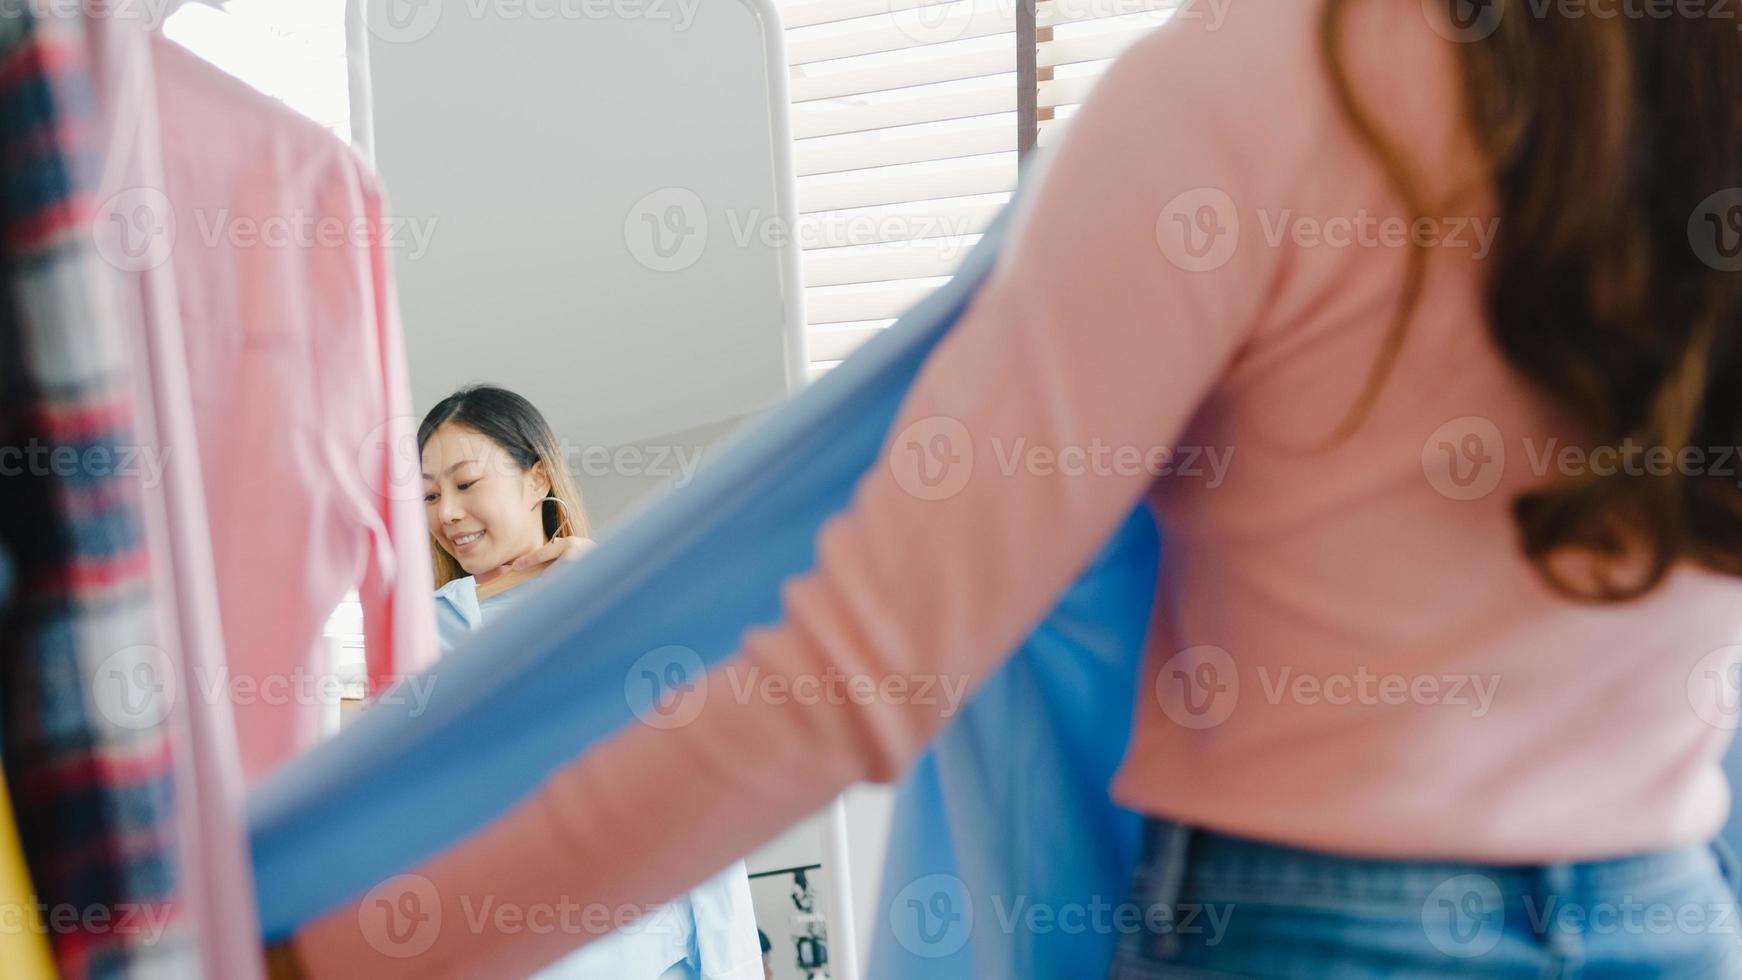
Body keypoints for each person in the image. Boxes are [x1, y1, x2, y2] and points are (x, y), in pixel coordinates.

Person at [285, 1, 1742, 976]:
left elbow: (850, 674)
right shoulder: (1701, 95)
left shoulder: (1253, 91)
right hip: (1674, 919)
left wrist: (339, 949)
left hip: (1310, 927)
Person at [417, 385, 765, 980]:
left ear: (537, 480)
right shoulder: (424, 641)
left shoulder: (634, 606)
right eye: (429, 494)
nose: (446, 511)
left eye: (466, 483)